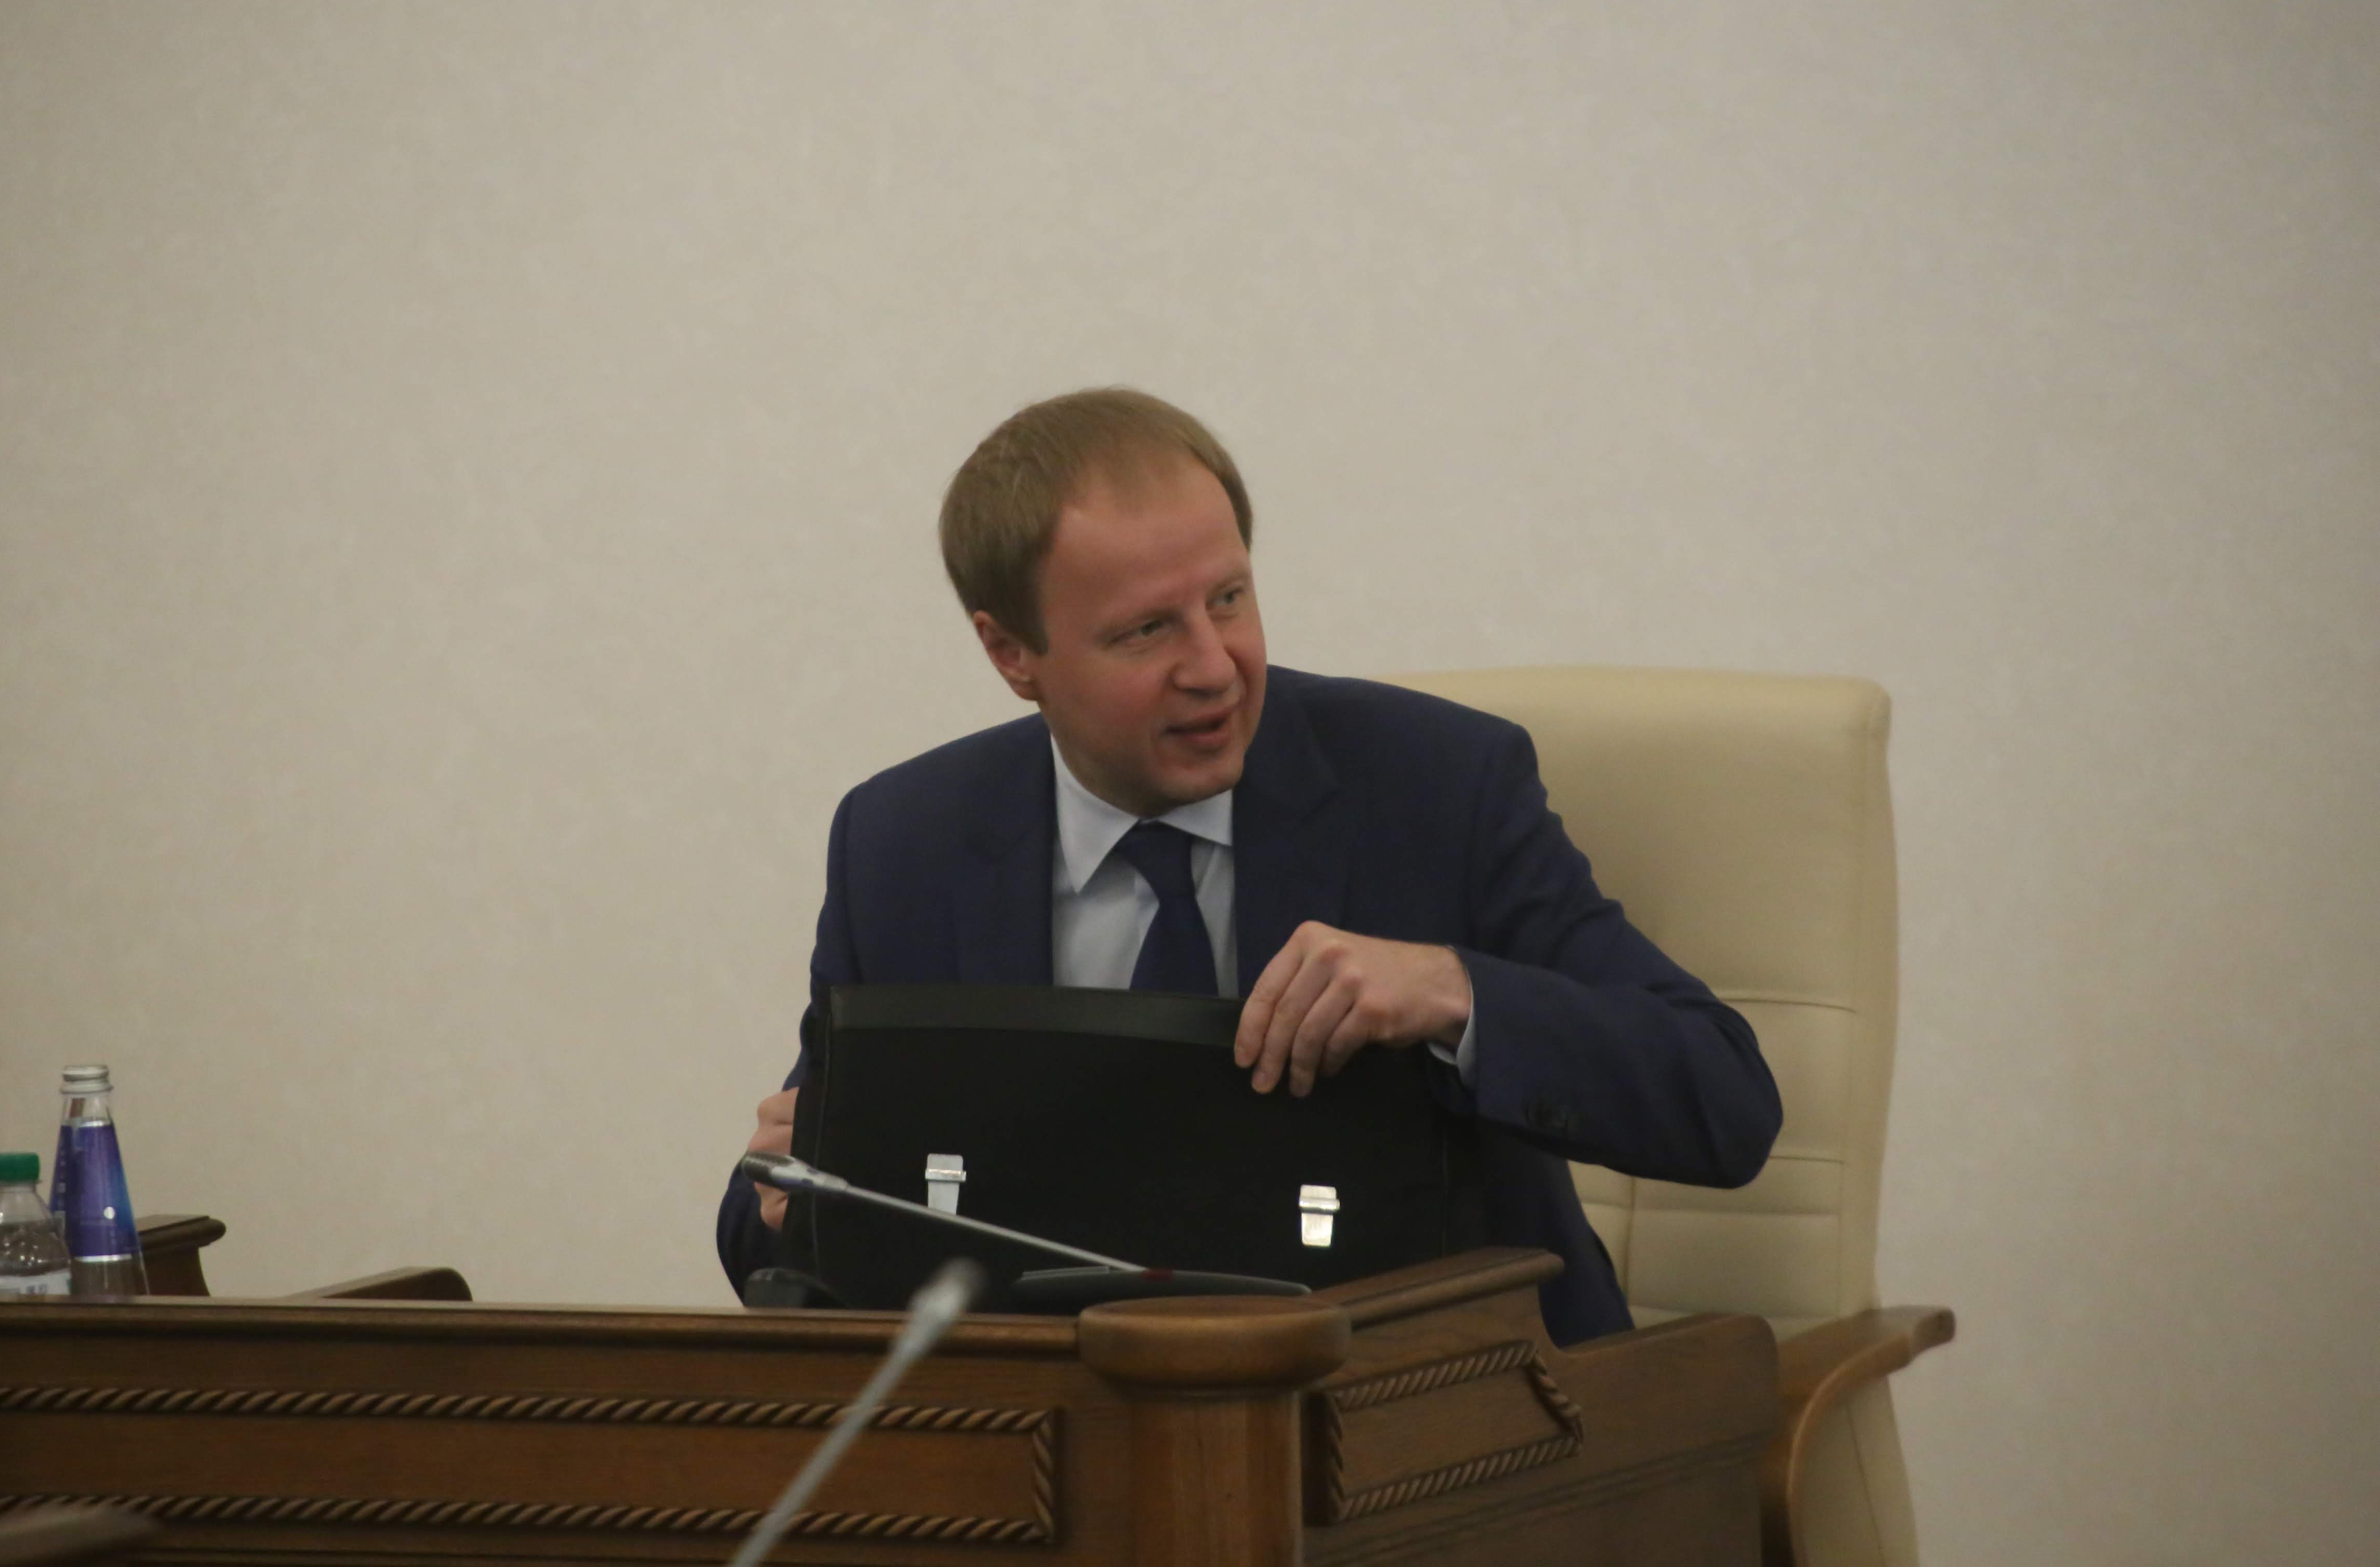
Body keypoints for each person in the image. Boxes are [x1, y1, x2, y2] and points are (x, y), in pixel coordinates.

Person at [715, 388, 1781, 1343]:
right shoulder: (906, 844)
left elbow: (1724, 1099)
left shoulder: (1437, 788)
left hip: (1441, 1414)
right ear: (1012, 654)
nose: (1214, 666)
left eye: (1228, 598)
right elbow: (772, 1228)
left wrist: (1455, 991)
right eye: (1146, 630)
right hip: (1075, 1436)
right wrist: (790, 1195)